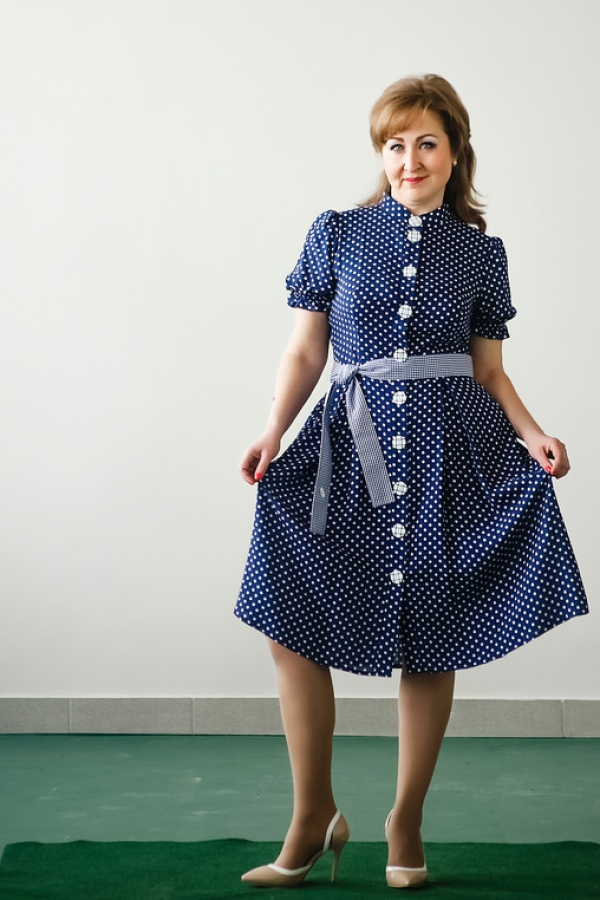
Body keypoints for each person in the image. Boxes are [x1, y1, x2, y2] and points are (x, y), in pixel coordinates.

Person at [234, 74, 588, 889]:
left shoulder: (481, 253)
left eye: (426, 142)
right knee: (290, 622)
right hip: (342, 452)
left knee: (431, 631)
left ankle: (406, 820)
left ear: (455, 152)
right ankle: (313, 813)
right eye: (394, 145)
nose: (409, 160)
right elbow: (306, 350)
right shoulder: (337, 233)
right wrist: (273, 428)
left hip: (444, 454)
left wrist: (533, 435)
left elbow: (489, 371)